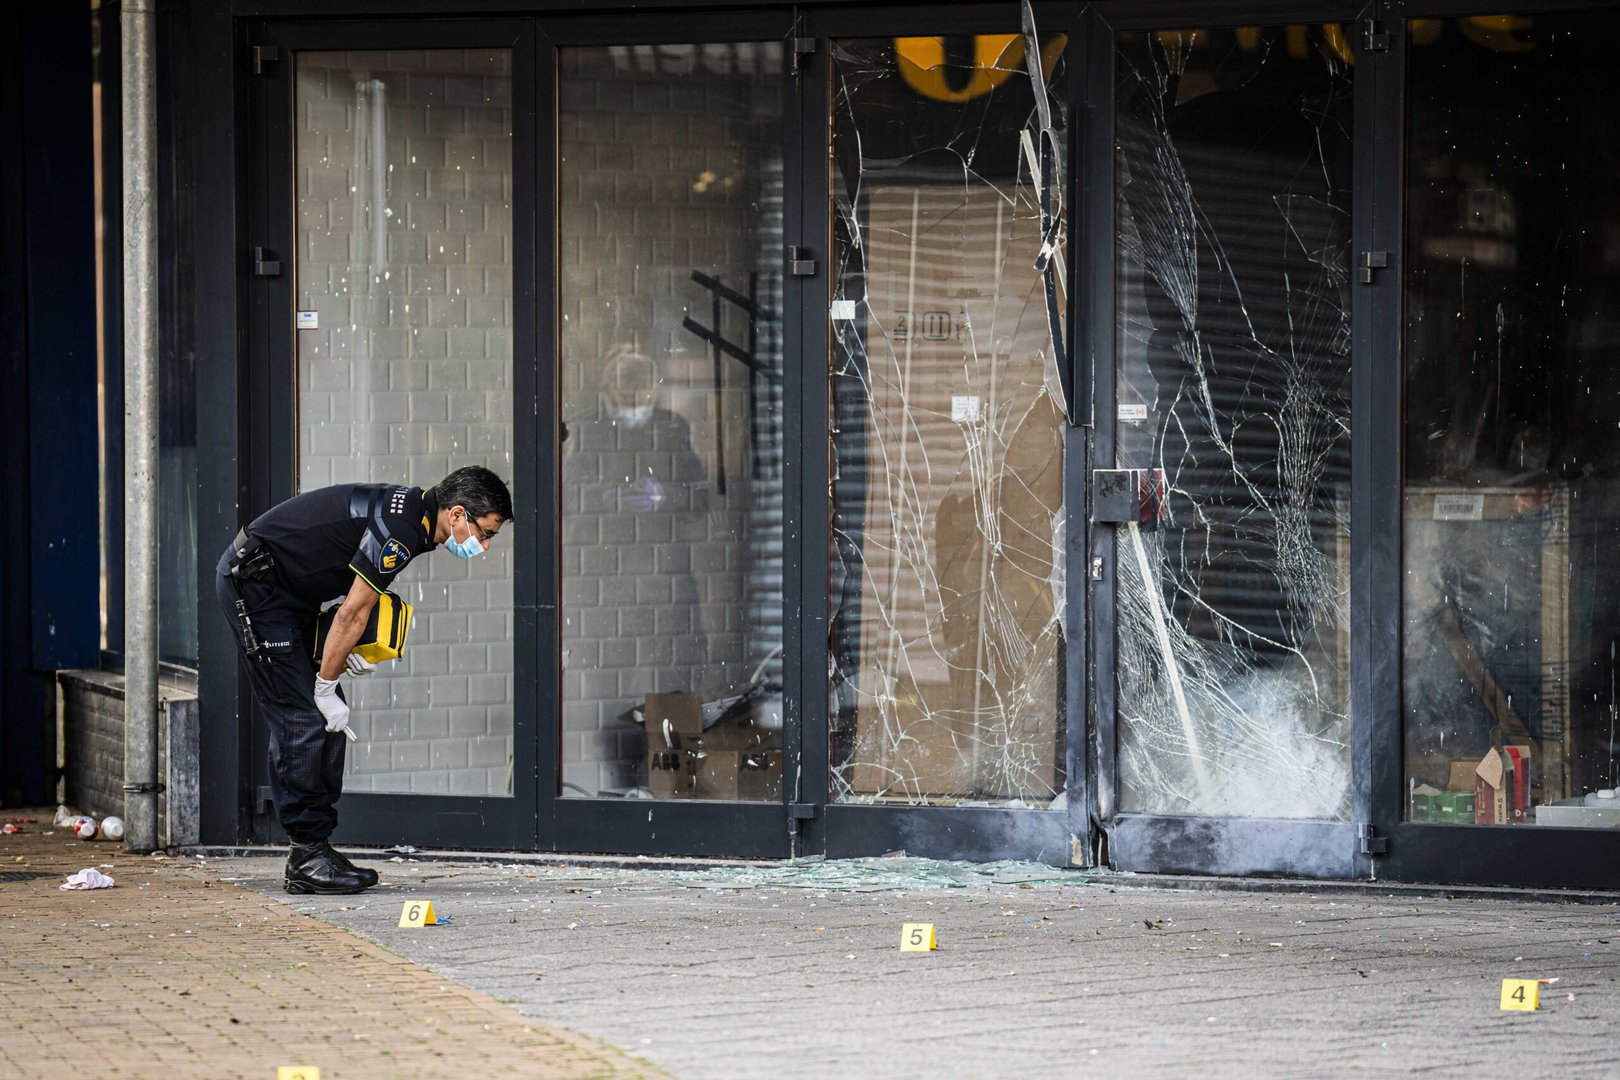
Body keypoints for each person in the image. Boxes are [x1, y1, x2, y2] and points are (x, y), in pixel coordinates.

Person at [215, 466, 513, 894]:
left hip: (288, 592)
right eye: (485, 533)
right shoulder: (402, 529)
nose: (483, 545)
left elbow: (357, 599)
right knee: (304, 719)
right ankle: (306, 855)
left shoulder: (417, 518)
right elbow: (353, 612)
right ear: (459, 514)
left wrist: (340, 658)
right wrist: (323, 683)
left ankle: (315, 846)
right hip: (256, 589)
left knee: (329, 724)